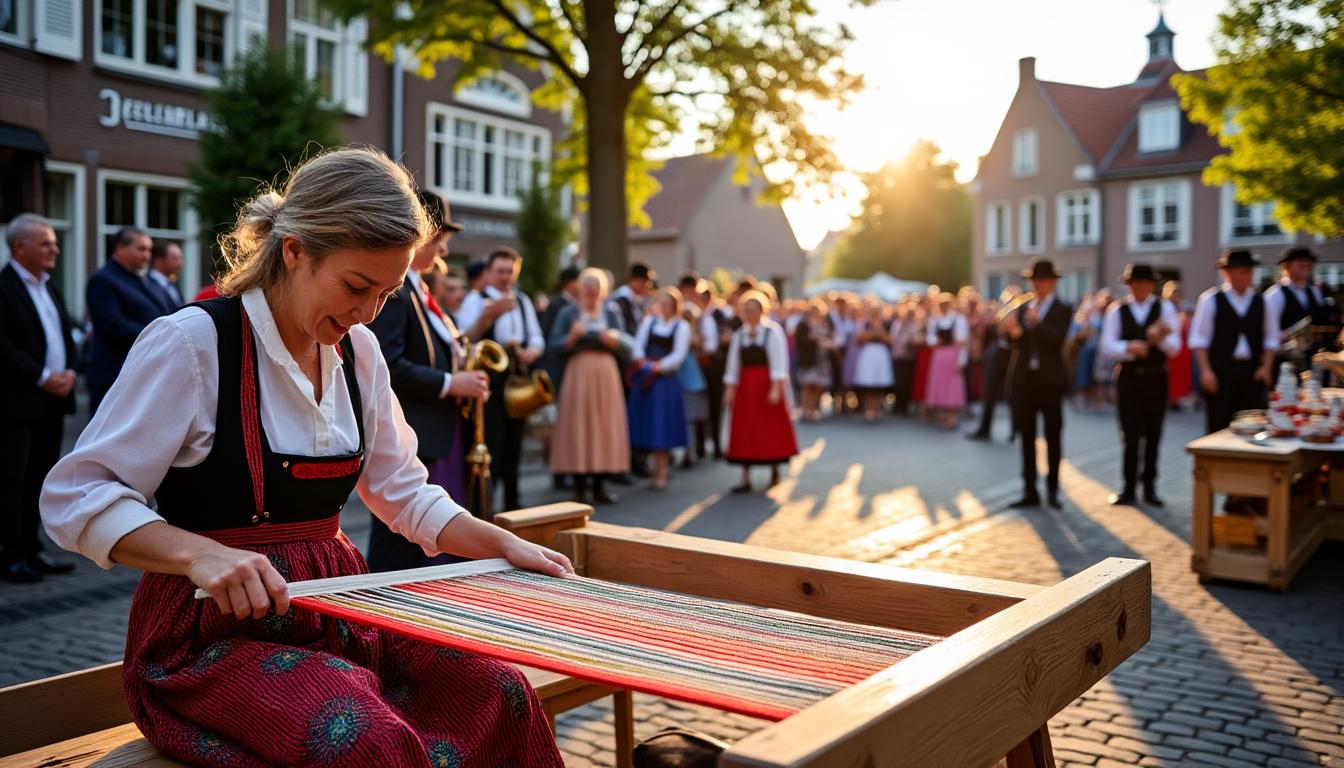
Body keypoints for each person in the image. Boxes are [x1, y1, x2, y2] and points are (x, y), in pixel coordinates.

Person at [40, 148, 568, 767]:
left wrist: (498, 542)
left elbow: (402, 490)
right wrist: (202, 554)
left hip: (339, 613)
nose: (367, 312)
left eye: (387, 293)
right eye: (355, 287)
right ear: (293, 251)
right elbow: (76, 497)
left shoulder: (361, 352)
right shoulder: (193, 343)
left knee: (497, 690)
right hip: (209, 637)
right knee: (364, 739)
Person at [365, 188, 492, 571]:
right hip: (416, 437)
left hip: (436, 433)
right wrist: (451, 384)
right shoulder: (397, 290)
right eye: (440, 240)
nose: (443, 252)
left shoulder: (418, 288)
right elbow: (388, 363)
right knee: (410, 549)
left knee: (433, 539)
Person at [1, 214, 78, 583]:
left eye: (54, 242)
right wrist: (42, 376)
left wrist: (71, 371)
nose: (55, 248)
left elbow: (63, 333)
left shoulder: (50, 285)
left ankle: (32, 550)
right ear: (19, 247)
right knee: (12, 481)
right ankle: (10, 555)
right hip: (17, 403)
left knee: (40, 478)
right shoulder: (4, 287)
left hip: (52, 401)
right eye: (45, 243)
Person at [455, 248, 545, 511]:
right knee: (491, 442)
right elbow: (465, 338)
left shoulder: (522, 300)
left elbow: (537, 336)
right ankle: (487, 506)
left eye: (510, 271)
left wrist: (532, 351)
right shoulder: (476, 299)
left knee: (515, 443)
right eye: (500, 271)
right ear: (489, 272)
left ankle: (514, 504)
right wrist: (490, 314)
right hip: (489, 380)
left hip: (515, 377)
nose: (505, 277)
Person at [548, 268, 632, 503]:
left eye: (596, 287)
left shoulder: (611, 311)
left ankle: (600, 485)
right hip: (578, 373)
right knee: (578, 426)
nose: (592, 291)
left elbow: (628, 345)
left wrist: (615, 341)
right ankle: (578, 487)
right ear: (581, 287)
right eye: (588, 286)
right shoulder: (568, 313)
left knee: (604, 427)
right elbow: (553, 346)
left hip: (606, 374)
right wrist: (571, 338)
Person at [1100, 264, 1181, 507]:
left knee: (1154, 433)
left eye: (1145, 283)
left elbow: (1176, 347)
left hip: (1156, 377)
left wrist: (1161, 339)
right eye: (1136, 283)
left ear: (1152, 286)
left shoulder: (1164, 308)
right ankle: (1128, 487)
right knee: (1130, 434)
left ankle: (1149, 486)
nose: (1141, 288)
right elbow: (1106, 346)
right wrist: (1129, 347)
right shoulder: (1117, 310)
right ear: (1129, 285)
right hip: (1129, 377)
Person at [1002, 259, 1072, 509]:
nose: (1038, 285)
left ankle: (1053, 489)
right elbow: (1017, 345)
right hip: (1026, 381)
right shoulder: (1022, 307)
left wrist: (1036, 325)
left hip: (1050, 382)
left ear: (1052, 282)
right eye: (1034, 280)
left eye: (1042, 280)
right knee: (1027, 436)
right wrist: (1013, 334)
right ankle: (1029, 488)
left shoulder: (1063, 309)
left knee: (1053, 436)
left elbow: (1056, 341)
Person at [1189, 249, 1279, 434]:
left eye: (1249, 271)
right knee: (1218, 426)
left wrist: (1266, 367)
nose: (1246, 276)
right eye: (1241, 271)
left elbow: (1271, 337)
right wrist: (1205, 371)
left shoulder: (1262, 301)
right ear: (1226, 273)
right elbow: (1199, 339)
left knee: (1252, 426)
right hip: (1220, 372)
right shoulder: (1210, 300)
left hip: (1251, 372)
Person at [85, 226, 170, 415]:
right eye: (141, 249)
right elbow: (113, 324)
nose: (147, 255)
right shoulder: (103, 280)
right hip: (114, 376)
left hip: (143, 374)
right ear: (120, 249)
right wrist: (160, 336)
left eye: (149, 249)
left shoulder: (147, 280)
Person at [724, 290, 798, 492]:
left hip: (766, 385)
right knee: (745, 429)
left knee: (770, 428)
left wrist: (776, 388)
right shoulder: (740, 334)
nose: (750, 314)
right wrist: (730, 388)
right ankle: (744, 476)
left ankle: (774, 470)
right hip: (746, 387)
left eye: (753, 310)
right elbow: (733, 364)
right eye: (746, 310)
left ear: (761, 311)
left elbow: (779, 362)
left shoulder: (772, 331)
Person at [628, 288, 691, 491]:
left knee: (662, 427)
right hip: (648, 379)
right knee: (648, 425)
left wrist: (659, 366)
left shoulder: (681, 327)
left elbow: (679, 355)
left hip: (665, 381)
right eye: (660, 303)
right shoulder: (649, 322)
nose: (662, 307)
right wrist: (642, 362)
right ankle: (653, 468)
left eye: (666, 303)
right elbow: (638, 345)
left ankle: (662, 470)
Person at [1263, 246, 1330, 368]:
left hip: (1315, 362)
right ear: (1285, 266)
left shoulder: (1314, 291)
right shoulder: (1274, 294)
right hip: (1285, 363)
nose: (1306, 264)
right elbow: (1268, 333)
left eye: (1308, 261)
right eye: (1300, 261)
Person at [968, 286, 1020, 440]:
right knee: (989, 391)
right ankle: (984, 428)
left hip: (1012, 354)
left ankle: (1016, 429)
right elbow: (989, 329)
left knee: (1012, 393)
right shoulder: (998, 312)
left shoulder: (1020, 313)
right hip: (997, 353)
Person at [924, 292, 970, 430]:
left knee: (952, 386)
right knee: (940, 384)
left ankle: (951, 415)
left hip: (952, 355)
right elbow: (930, 338)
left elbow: (963, 342)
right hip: (939, 355)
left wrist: (961, 360)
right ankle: (943, 412)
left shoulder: (958, 319)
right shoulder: (935, 319)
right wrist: (935, 341)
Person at [850, 302, 893, 421]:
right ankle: (868, 409)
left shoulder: (886, 323)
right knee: (869, 383)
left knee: (879, 383)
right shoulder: (864, 324)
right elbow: (858, 338)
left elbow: (888, 339)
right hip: (868, 354)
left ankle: (877, 409)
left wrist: (878, 331)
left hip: (880, 354)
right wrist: (873, 333)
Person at [795, 300, 834, 422]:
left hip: (821, 360)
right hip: (808, 359)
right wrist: (813, 339)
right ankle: (805, 410)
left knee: (817, 386)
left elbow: (830, 337)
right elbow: (801, 340)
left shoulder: (824, 324)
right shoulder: (803, 324)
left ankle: (812, 409)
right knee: (807, 385)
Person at [1163, 281, 1195, 409]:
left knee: (1178, 374)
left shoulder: (1181, 307)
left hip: (1181, 345)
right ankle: (1169, 398)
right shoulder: (1165, 307)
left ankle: (1175, 398)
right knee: (1169, 374)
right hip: (1170, 344)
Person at [610, 261, 655, 334]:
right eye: (646, 282)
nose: (648, 286)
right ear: (637, 280)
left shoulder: (635, 298)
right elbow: (628, 327)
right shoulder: (622, 299)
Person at [148, 241, 185, 310]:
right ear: (159, 261)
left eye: (181, 258)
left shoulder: (172, 283)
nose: (181, 263)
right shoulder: (146, 285)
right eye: (175, 259)